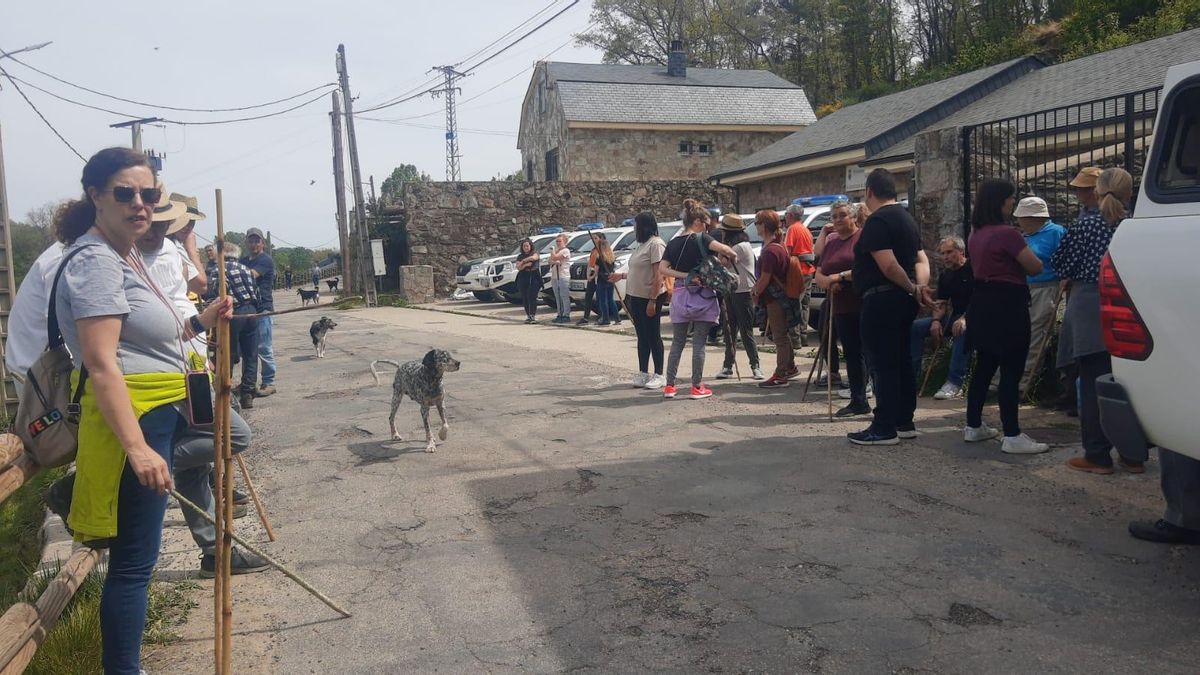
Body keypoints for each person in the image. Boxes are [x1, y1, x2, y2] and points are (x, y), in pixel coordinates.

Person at [50, 147, 232, 673]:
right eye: (124, 193)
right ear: (96, 196)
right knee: (133, 565)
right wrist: (138, 449)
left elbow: (158, 336)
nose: (140, 204)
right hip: (135, 420)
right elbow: (103, 363)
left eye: (148, 194)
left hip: (158, 411)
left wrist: (203, 319)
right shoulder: (95, 261)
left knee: (137, 561)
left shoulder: (121, 256)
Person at [1055, 167, 1139, 474]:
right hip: (1131, 306)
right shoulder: (1135, 226)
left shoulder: (1086, 227)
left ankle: (1097, 455)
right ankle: (1133, 455)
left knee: (1092, 382)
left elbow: (1061, 262)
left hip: (1091, 305)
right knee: (1130, 384)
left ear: (1097, 191)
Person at [961, 179, 1049, 454]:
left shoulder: (975, 234)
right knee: (1011, 368)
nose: (1013, 202)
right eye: (1011, 198)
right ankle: (1012, 433)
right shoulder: (1008, 234)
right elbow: (1035, 267)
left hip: (982, 302)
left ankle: (973, 425)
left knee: (984, 366)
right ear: (1001, 201)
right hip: (1008, 303)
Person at [849, 168, 932, 445]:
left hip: (882, 298)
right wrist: (919, 288)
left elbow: (888, 264)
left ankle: (883, 426)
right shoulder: (907, 219)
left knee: (882, 363)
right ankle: (903, 420)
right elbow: (922, 260)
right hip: (902, 301)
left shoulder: (878, 221)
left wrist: (911, 288)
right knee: (901, 360)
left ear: (869, 192)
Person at [661, 205, 736, 399]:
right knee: (699, 344)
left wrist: (685, 275)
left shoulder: (673, 243)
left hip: (679, 294)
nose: (707, 228)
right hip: (702, 296)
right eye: (706, 224)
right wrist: (731, 256)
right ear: (697, 222)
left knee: (677, 342)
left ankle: (669, 385)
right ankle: (696, 386)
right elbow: (724, 249)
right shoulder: (702, 238)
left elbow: (663, 269)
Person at [814, 200, 870, 416]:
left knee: (868, 353)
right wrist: (828, 282)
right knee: (852, 354)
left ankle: (877, 399)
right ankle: (858, 400)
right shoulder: (832, 242)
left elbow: (866, 270)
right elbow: (819, 273)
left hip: (863, 303)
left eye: (843, 215)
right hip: (840, 307)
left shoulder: (863, 238)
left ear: (854, 217)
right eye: (835, 216)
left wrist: (839, 278)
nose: (838, 219)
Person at [1013, 196, 1066, 395]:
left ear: (1033, 218)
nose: (1018, 221)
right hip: (1023, 290)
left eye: (1022, 217)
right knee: (1019, 335)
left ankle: (1025, 384)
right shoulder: (1024, 236)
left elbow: (1063, 260)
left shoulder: (1056, 233)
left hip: (1046, 288)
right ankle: (1011, 378)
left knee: (1036, 335)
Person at [909, 236, 974, 400]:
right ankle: (912, 377)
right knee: (915, 327)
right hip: (955, 316)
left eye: (949, 252)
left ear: (961, 251)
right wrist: (936, 321)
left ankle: (954, 382)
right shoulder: (946, 275)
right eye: (943, 253)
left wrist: (965, 318)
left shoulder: (973, 268)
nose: (945, 257)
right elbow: (942, 303)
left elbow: (982, 299)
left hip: (976, 316)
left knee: (960, 329)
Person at [608, 212, 667, 389]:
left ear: (644, 226)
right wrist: (622, 275)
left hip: (650, 296)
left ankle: (659, 373)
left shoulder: (656, 244)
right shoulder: (641, 245)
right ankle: (643, 372)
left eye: (636, 225)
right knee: (642, 336)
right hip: (636, 296)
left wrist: (653, 300)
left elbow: (659, 275)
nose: (634, 228)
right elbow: (639, 271)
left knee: (653, 335)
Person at [210, 242, 262, 409]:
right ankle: (248, 393)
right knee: (251, 353)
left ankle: (227, 392)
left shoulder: (218, 270)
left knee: (227, 353)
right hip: (252, 311)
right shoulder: (245, 269)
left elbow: (212, 293)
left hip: (233, 312)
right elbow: (257, 292)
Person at [714, 214, 763, 381]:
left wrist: (721, 246)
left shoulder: (740, 247)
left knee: (745, 330)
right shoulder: (739, 245)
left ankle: (755, 365)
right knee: (729, 330)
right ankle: (728, 366)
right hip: (732, 290)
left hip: (742, 292)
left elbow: (722, 261)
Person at [753, 210, 797, 388]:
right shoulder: (778, 246)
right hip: (780, 297)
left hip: (775, 298)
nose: (755, 226)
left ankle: (781, 374)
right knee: (781, 334)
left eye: (757, 223)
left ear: (763, 226)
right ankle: (790, 366)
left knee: (779, 337)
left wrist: (754, 293)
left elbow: (765, 278)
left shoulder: (770, 250)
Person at [241, 227, 277, 397]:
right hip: (247, 309)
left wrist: (232, 271)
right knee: (247, 348)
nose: (254, 243)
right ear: (246, 242)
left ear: (263, 243)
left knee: (264, 347)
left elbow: (251, 275)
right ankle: (247, 382)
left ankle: (269, 382)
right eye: (251, 240)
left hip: (263, 309)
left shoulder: (265, 260)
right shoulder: (243, 261)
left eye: (257, 241)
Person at [784, 204, 815, 348]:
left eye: (786, 215)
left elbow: (787, 252)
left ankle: (795, 339)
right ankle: (803, 336)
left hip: (797, 271)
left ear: (790, 215)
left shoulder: (792, 229)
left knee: (794, 305)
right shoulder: (806, 230)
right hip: (808, 270)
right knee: (804, 305)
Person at [593, 234, 621, 326]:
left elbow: (596, 271)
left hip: (602, 280)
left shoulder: (599, 258)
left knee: (603, 300)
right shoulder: (612, 257)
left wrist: (591, 277)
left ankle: (606, 319)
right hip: (610, 279)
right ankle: (617, 318)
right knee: (610, 300)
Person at [514, 238, 541, 323]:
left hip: (534, 276)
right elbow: (518, 267)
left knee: (532, 296)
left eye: (527, 246)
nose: (526, 247)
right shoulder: (520, 256)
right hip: (523, 276)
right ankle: (528, 315)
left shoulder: (535, 253)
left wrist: (524, 261)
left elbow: (534, 258)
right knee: (525, 297)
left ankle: (532, 315)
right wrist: (525, 264)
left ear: (530, 246)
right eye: (524, 246)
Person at [548, 233, 572, 323]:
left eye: (559, 241)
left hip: (563, 276)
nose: (558, 243)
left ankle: (566, 315)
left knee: (564, 296)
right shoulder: (557, 251)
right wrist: (554, 259)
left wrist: (553, 252)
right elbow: (550, 261)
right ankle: (559, 314)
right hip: (555, 276)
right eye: (557, 241)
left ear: (564, 242)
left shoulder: (565, 251)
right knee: (557, 297)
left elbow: (554, 257)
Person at [577, 245, 599, 325]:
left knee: (600, 297)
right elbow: (590, 264)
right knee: (588, 296)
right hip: (591, 273)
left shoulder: (602, 250)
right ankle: (586, 317)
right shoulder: (593, 250)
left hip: (598, 275)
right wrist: (589, 275)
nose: (594, 240)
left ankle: (602, 316)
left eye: (596, 238)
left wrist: (594, 275)